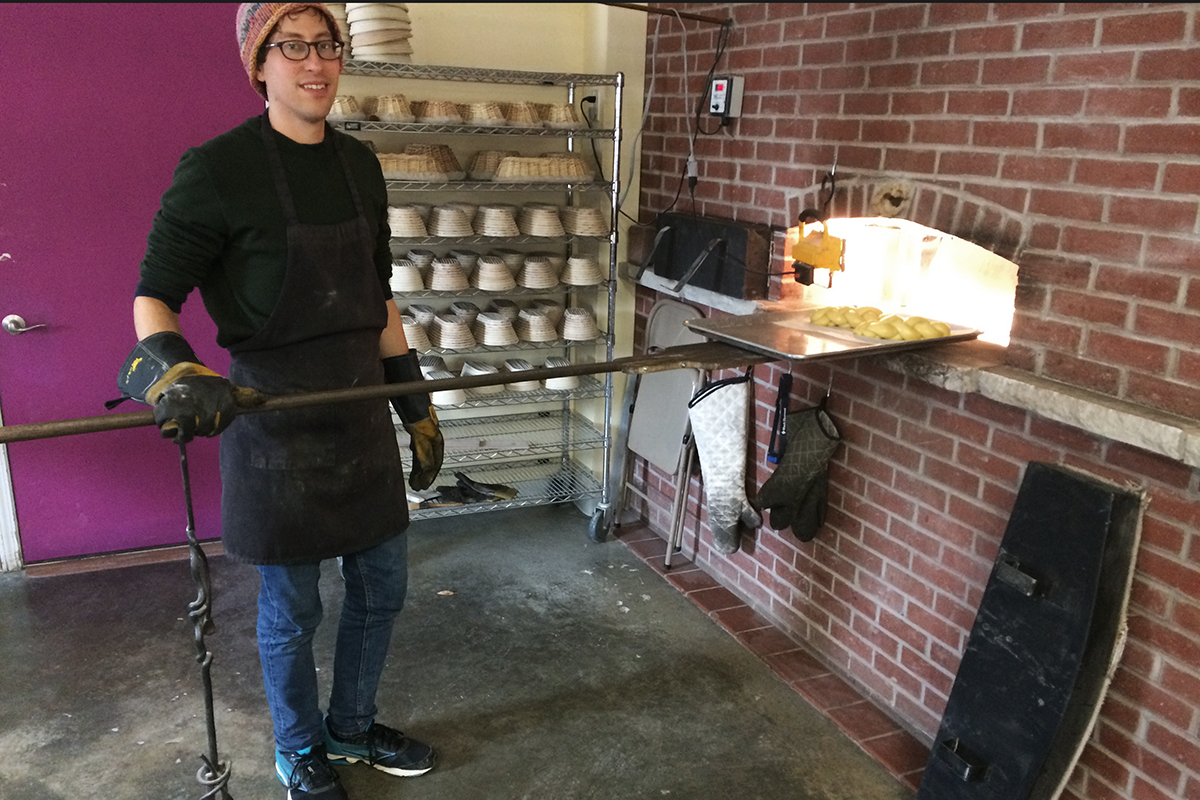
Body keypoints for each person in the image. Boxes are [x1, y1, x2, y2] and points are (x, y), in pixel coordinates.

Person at [113, 4, 443, 798]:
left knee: (382, 590)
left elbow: (377, 296)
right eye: (291, 48)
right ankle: (298, 752)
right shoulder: (217, 169)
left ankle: (352, 728)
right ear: (259, 63)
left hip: (360, 413)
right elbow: (154, 296)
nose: (315, 63)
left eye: (327, 45)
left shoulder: (359, 164)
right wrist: (180, 373)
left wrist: (415, 404)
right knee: (293, 612)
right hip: (272, 423)